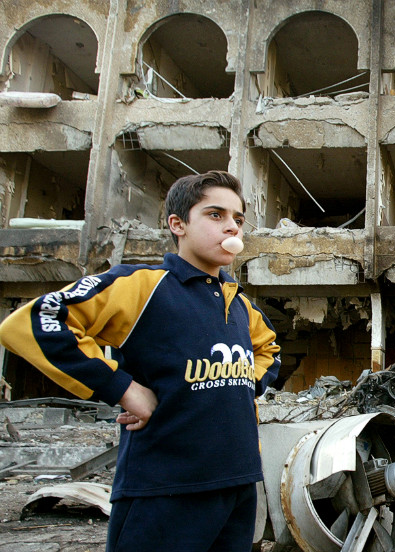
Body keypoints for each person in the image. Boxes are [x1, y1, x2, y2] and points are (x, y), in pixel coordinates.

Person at [0, 170, 280, 552]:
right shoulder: (142, 286)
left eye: (238, 218)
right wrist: (124, 389)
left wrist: (243, 384)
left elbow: (269, 352)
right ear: (177, 224)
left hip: (239, 486)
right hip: (162, 491)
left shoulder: (240, 305)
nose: (231, 227)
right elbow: (34, 321)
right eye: (215, 215)